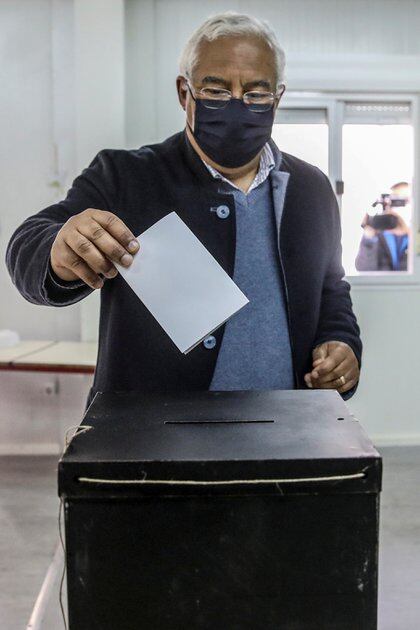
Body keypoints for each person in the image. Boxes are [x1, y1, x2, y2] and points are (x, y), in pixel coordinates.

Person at [5, 11, 362, 408]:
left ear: (277, 97)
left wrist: (341, 343)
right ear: (183, 92)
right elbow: (27, 243)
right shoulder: (125, 176)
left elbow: (331, 288)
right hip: (152, 439)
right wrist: (58, 246)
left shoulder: (311, 188)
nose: (237, 106)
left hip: (286, 430)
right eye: (216, 90)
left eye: (256, 94)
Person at [355, 181, 410, 272]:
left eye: (402, 202)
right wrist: (369, 237)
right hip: (384, 285)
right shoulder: (379, 232)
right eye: (394, 202)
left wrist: (412, 234)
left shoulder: (415, 234)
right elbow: (364, 269)